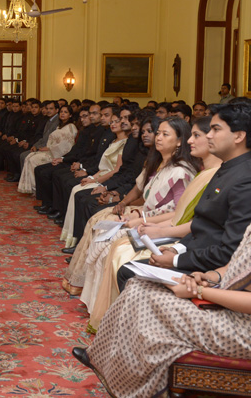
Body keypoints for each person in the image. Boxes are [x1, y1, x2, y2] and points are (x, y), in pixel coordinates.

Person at [73, 221, 251, 398]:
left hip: (242, 329)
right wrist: (207, 276)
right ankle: (103, 359)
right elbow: (232, 267)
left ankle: (136, 385)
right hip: (228, 304)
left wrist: (201, 291)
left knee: (150, 302)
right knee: (139, 286)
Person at [86, 116, 221, 331]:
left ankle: (118, 324)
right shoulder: (206, 172)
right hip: (173, 233)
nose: (190, 141)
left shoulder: (200, 173)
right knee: (108, 235)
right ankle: (107, 316)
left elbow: (188, 219)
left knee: (120, 252)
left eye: (197, 136)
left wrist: (153, 226)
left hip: (186, 243)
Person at [117, 99, 251, 290]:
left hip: (211, 270)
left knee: (129, 273)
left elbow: (231, 250)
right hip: (195, 253)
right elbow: (201, 224)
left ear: (238, 136)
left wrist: (177, 260)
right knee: (128, 269)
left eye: (216, 130)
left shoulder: (244, 179)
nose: (209, 136)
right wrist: (175, 248)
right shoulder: (226, 168)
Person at [62, 118, 198, 297]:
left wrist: (140, 218)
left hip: (160, 224)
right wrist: (128, 207)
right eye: (158, 133)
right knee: (98, 220)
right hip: (144, 213)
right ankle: (84, 287)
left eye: (165, 135)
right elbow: (141, 192)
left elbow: (178, 212)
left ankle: (103, 297)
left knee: (111, 239)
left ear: (180, 141)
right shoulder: (157, 161)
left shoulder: (181, 171)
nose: (158, 138)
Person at [60, 108, 130, 248]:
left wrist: (96, 181)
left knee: (81, 194)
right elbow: (102, 166)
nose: (113, 123)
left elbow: (116, 170)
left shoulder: (126, 144)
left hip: (109, 179)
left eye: (117, 121)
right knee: (76, 189)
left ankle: (81, 241)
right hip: (101, 175)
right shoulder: (113, 140)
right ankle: (73, 236)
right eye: (113, 121)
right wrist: (92, 177)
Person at [17, 104, 77, 193]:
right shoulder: (60, 126)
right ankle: (30, 186)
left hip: (58, 154)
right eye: (61, 112)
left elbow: (67, 145)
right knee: (29, 156)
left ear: (70, 115)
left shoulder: (71, 127)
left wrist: (49, 148)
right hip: (51, 150)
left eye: (65, 112)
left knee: (33, 159)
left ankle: (36, 188)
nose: (62, 114)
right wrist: (47, 147)